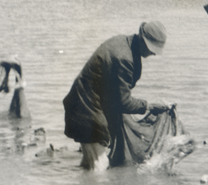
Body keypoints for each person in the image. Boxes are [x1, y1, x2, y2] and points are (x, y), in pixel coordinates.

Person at [62, 21, 172, 171]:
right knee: (100, 164)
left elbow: (115, 96)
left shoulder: (125, 43)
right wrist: (150, 106)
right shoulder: (124, 58)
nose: (153, 53)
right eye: (151, 48)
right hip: (87, 110)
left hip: (82, 104)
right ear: (142, 39)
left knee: (89, 162)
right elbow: (123, 102)